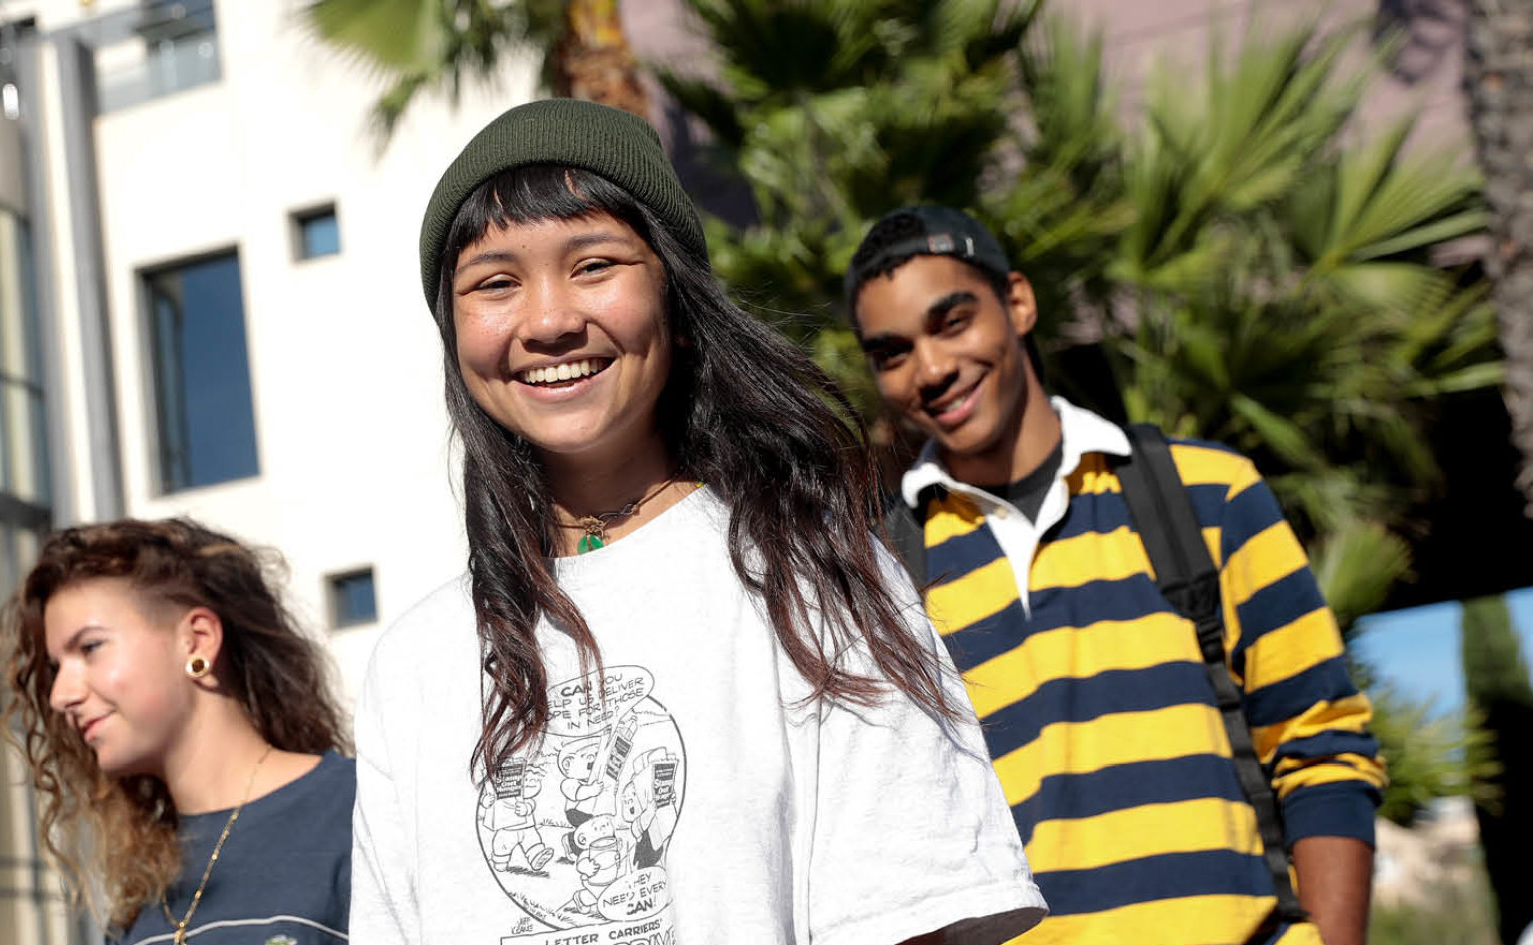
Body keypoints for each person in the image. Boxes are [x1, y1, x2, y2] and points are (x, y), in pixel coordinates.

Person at [349, 98, 1046, 945]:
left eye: (594, 264)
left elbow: (909, 920)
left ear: (675, 298)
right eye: (494, 282)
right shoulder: (413, 666)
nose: (547, 320)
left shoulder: (811, 575)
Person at [847, 205, 1384, 945]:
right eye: (893, 352)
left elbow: (1321, 747)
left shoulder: (1205, 494)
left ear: (1020, 303)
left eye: (952, 321)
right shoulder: (884, 580)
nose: (931, 368)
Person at [0, 518, 353, 945]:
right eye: (56, 669)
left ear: (197, 641)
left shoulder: (359, 810)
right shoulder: (141, 892)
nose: (60, 696)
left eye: (90, 648)